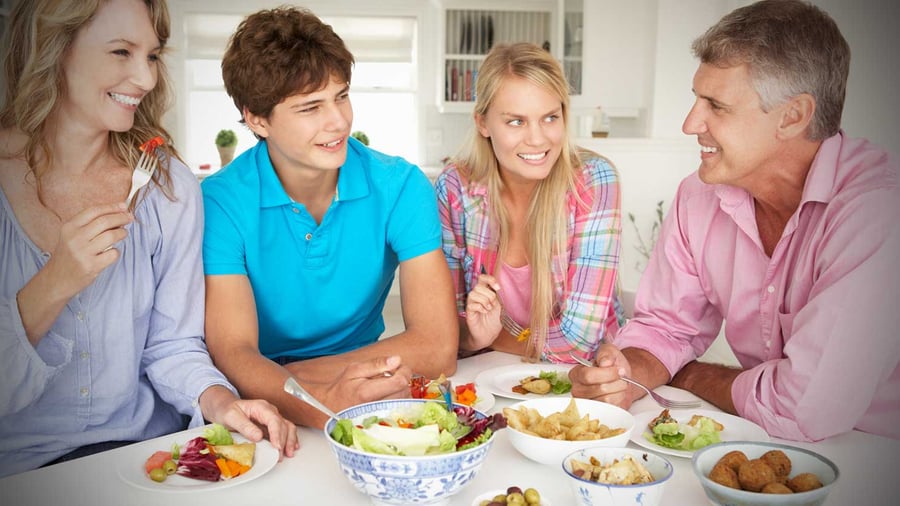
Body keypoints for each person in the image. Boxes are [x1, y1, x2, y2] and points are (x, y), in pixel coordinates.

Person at [569, 0, 900, 442]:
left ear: (792, 116)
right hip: (764, 438)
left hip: (875, 452)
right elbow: (666, 328)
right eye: (696, 98)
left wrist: (689, 375)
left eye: (717, 106)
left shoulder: (877, 212)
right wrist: (627, 374)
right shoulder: (698, 197)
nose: (690, 123)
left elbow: (804, 407)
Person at [0, 0, 299, 478]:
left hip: (142, 453)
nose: (145, 78)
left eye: (153, 56)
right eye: (121, 51)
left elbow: (173, 345)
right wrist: (55, 282)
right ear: (54, 48)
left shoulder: (169, 185)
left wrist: (221, 402)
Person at [202, 6, 458, 429]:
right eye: (310, 108)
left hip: (350, 387)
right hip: (264, 410)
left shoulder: (400, 185)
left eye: (341, 96)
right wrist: (323, 400)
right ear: (257, 119)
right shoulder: (220, 201)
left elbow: (437, 347)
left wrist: (295, 379)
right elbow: (233, 353)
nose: (339, 121)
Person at [435, 42, 624, 364]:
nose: (537, 139)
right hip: (488, 371)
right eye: (516, 121)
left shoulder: (593, 180)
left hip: (583, 374)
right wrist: (473, 336)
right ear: (483, 123)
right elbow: (446, 329)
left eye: (550, 118)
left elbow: (578, 344)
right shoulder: (455, 188)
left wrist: (489, 340)